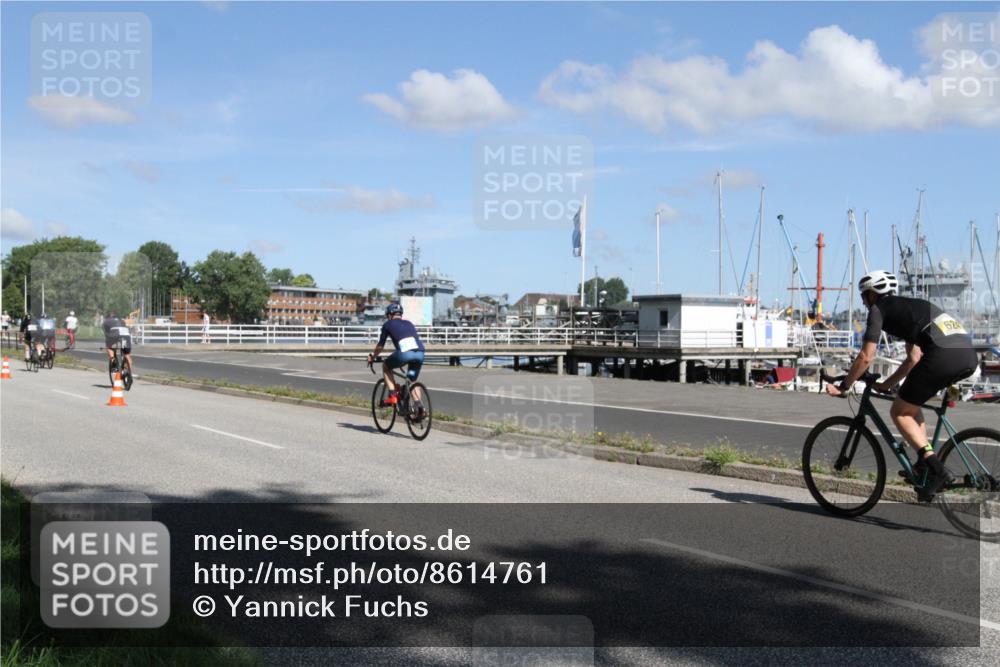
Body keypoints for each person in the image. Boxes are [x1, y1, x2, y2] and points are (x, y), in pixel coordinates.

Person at [826, 270, 978, 501]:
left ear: (872, 295)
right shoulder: (912, 307)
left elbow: (866, 356)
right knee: (911, 406)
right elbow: (913, 359)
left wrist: (845, 385)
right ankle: (923, 465)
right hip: (967, 355)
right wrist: (887, 384)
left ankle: (937, 469)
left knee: (899, 412)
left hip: (942, 356)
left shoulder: (878, 310)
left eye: (864, 296)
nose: (864, 302)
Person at [367, 302, 425, 413]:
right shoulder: (409, 323)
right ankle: (419, 409)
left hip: (404, 354)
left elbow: (380, 346)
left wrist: (373, 357)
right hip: (420, 353)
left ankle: (393, 395)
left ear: (389, 315)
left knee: (386, 366)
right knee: (412, 380)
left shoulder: (388, 324)